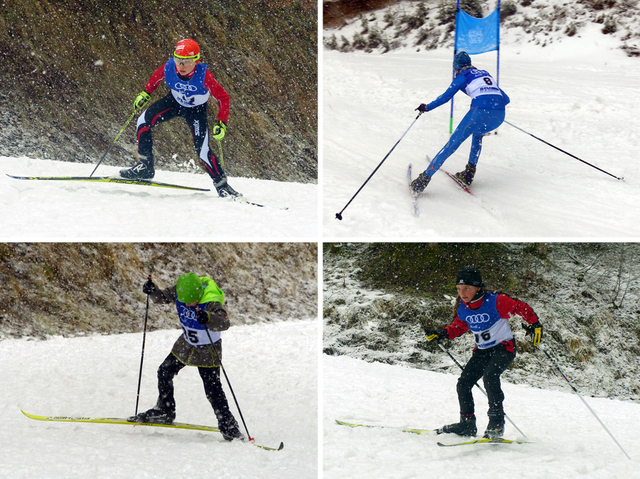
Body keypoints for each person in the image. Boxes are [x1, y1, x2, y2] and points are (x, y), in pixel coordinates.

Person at [423, 266, 543, 439]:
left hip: (504, 347)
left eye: (466, 288)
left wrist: (534, 324)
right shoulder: (463, 307)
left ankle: (496, 423)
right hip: (482, 351)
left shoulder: (495, 301)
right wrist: (442, 334)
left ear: (478, 287)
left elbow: (519, 307)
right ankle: (467, 425)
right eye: (458, 288)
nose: (462, 293)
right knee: (463, 384)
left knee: (490, 376)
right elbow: (459, 326)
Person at [128, 272, 244, 442]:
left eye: (193, 301)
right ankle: (164, 410)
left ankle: (229, 426)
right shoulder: (180, 291)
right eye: (186, 301)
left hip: (208, 349)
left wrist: (209, 317)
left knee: (213, 389)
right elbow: (162, 297)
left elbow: (224, 322)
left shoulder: (212, 301)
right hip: (186, 343)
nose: (189, 304)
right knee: (164, 371)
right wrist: (152, 291)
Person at [119, 39, 241, 198]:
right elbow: (156, 77)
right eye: (178, 60)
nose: (181, 66)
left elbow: (223, 98)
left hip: (196, 111)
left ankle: (222, 185)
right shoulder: (169, 67)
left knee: (202, 150)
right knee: (143, 121)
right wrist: (146, 93)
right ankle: (145, 166)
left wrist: (222, 123)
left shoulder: (205, 76)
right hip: (173, 102)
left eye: (187, 62)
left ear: (196, 61)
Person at [411, 51, 510, 195]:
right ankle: (468, 174)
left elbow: (445, 97)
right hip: (499, 114)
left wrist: (426, 107)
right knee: (478, 136)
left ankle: (422, 181)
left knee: (452, 145)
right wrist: (491, 107)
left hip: (479, 113)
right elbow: (505, 99)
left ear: (456, 68)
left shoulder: (461, 76)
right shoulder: (484, 73)